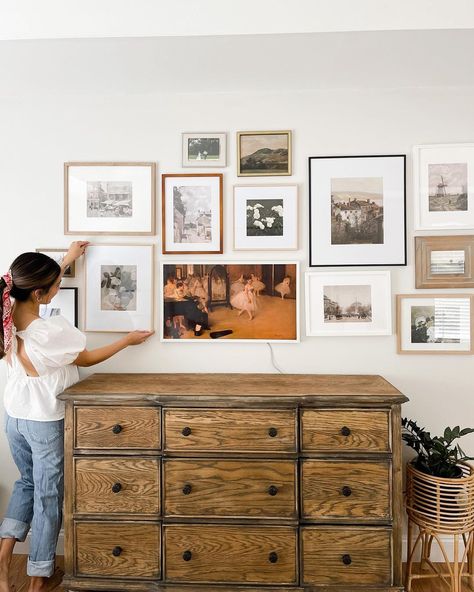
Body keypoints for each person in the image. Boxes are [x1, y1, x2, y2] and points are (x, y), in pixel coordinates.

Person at [0, 243, 154, 592]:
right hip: (44, 420)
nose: (59, 289)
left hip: (15, 417)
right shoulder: (51, 331)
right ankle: (38, 577)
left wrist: (66, 260)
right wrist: (127, 340)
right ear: (40, 293)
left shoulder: (6, 313)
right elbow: (84, 359)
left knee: (27, 483)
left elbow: (28, 281)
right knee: (48, 495)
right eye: (55, 285)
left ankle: (3, 561)